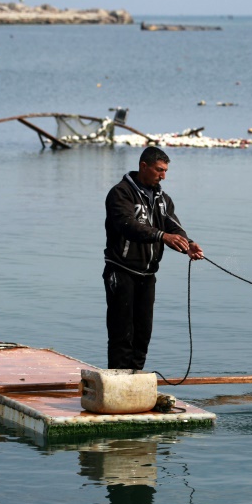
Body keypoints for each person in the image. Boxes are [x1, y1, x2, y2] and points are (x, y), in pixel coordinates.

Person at [103, 146, 203, 370]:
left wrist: (187, 244)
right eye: (159, 170)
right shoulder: (120, 193)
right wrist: (161, 236)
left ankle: (136, 381)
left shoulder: (162, 198)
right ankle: (117, 384)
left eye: (166, 171)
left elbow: (172, 226)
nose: (163, 176)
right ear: (143, 166)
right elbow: (127, 226)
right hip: (121, 271)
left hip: (147, 276)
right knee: (122, 333)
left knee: (143, 334)